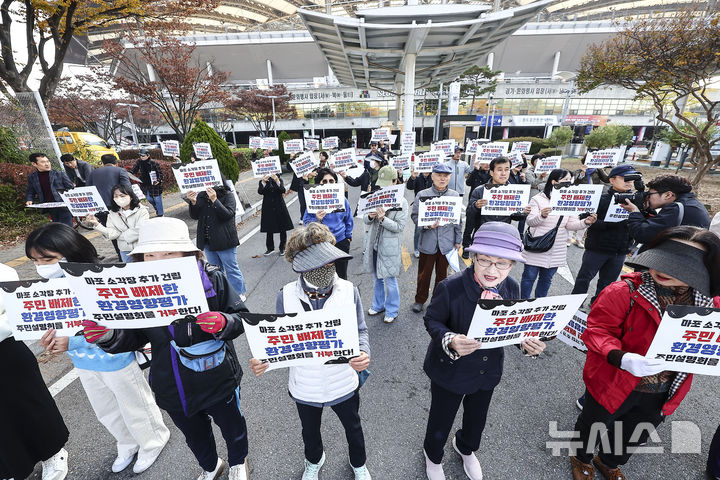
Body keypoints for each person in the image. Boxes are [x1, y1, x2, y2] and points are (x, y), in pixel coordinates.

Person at [85, 217, 252, 480]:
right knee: (194, 436)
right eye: (150, 254)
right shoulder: (136, 292)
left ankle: (237, 463)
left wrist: (224, 322)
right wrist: (107, 336)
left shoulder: (213, 279)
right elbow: (133, 337)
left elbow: (242, 318)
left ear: (187, 253)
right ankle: (211, 466)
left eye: (169, 252)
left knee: (233, 427)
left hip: (218, 376)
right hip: (170, 384)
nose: (159, 259)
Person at [570, 226, 720, 480]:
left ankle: (608, 460)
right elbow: (596, 330)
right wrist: (621, 357)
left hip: (663, 389)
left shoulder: (711, 306)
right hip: (613, 379)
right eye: (661, 260)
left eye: (680, 267)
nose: (662, 270)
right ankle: (581, 457)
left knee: (634, 432)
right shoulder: (623, 292)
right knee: (593, 424)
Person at [26, 223, 170, 475]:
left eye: (47, 259)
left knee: (134, 403)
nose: (41, 266)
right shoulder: (45, 290)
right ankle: (127, 443)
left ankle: (153, 439)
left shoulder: (96, 280)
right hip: (83, 362)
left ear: (70, 252)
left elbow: (117, 324)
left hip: (115, 357)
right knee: (105, 409)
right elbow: (55, 325)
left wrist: (74, 342)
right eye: (35, 261)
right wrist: (48, 337)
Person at [422, 222, 546, 480]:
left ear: (512, 264)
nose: (492, 270)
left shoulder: (511, 287)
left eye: (502, 263)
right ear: (473, 258)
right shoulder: (450, 287)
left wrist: (524, 341)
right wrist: (450, 339)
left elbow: (511, 325)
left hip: (487, 370)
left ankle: (466, 447)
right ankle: (432, 455)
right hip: (450, 370)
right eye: (484, 260)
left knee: (477, 418)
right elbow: (432, 320)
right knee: (441, 418)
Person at [249, 223, 371, 480]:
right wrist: (265, 362)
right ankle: (313, 460)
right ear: (298, 265)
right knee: (310, 430)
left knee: (353, 427)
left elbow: (361, 330)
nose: (323, 270)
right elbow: (280, 342)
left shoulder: (350, 291)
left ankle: (358, 463)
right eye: (314, 265)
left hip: (343, 381)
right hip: (305, 385)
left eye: (327, 263)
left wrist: (362, 351)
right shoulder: (285, 295)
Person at [0, 262, 70, 480]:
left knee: (30, 402)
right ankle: (12, 466)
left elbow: (14, 307)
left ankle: (54, 453)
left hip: (5, 349)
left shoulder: (3, 272)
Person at [520, 169, 597, 299]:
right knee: (529, 278)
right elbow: (530, 221)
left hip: (557, 249)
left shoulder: (570, 200)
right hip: (537, 246)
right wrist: (542, 215)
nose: (568, 183)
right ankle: (523, 302)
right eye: (565, 180)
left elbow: (571, 224)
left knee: (546, 280)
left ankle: (539, 304)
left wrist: (585, 222)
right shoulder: (538, 199)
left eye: (569, 181)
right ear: (554, 182)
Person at [571, 165, 638, 303]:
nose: (629, 181)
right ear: (612, 180)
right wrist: (600, 222)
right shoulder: (600, 198)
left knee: (608, 284)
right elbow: (585, 217)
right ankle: (574, 304)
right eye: (625, 178)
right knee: (584, 279)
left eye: (633, 178)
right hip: (597, 248)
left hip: (620, 251)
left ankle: (597, 305)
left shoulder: (638, 201)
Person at [410, 163, 463, 313]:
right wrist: (427, 225)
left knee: (442, 276)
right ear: (432, 176)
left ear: (449, 178)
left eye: (445, 176)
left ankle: (437, 301)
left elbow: (458, 220)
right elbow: (414, 216)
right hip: (428, 242)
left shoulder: (454, 195)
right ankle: (419, 300)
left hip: (446, 243)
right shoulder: (422, 195)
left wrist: (458, 240)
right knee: (423, 275)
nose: (442, 178)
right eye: (439, 175)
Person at [187, 182, 248, 302]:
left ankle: (239, 292)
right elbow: (195, 216)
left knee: (231, 268)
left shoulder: (228, 195)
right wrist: (193, 202)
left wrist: (215, 200)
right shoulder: (201, 195)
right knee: (215, 271)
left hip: (224, 239)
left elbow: (228, 214)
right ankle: (223, 295)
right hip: (207, 240)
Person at [362, 165, 408, 324]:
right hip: (374, 245)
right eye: (382, 182)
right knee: (377, 278)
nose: (383, 186)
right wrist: (369, 215)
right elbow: (365, 220)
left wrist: (383, 219)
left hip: (389, 247)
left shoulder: (402, 201)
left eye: (388, 182)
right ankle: (378, 305)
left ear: (396, 181)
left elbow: (399, 227)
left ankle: (392, 310)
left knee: (390, 279)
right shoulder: (376, 195)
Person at [463, 157, 531, 259]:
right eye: (499, 170)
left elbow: (516, 217)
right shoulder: (480, 191)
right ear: (491, 172)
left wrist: (524, 212)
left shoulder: (515, 191)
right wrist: (475, 206)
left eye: (507, 169)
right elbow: (469, 216)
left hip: (503, 237)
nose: (503, 173)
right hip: (483, 236)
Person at [623, 174, 711, 245]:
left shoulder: (676, 208)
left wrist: (635, 212)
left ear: (668, 195)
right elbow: (659, 227)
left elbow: (642, 234)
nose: (647, 198)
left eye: (650, 194)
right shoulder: (690, 204)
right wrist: (647, 211)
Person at [302, 168, 354, 280]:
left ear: (335, 183)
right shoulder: (312, 201)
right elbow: (306, 222)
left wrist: (348, 238)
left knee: (341, 278)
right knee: (324, 278)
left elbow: (348, 219)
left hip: (340, 242)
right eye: (324, 181)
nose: (328, 184)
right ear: (319, 183)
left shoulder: (343, 200)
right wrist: (316, 219)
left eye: (331, 181)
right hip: (320, 244)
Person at [84, 184, 150, 262]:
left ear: (131, 197)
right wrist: (97, 224)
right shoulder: (112, 214)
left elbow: (139, 230)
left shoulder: (141, 211)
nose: (119, 198)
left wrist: (120, 236)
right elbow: (112, 233)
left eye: (122, 196)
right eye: (116, 196)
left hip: (142, 248)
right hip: (124, 250)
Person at [87, 153, 131, 260]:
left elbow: (88, 189)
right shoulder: (120, 170)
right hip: (117, 205)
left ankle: (120, 255)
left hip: (100, 207)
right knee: (124, 229)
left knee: (110, 231)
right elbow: (127, 188)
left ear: (103, 163)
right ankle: (129, 254)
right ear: (116, 163)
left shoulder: (93, 173)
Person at [25, 152, 74, 226]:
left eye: (47, 161)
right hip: (49, 208)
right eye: (43, 162)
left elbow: (71, 188)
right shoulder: (32, 177)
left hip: (64, 207)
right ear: (34, 164)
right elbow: (30, 191)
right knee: (57, 229)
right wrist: (29, 199)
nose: (47, 164)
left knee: (66, 229)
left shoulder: (59, 174)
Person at [258, 172, 294, 256]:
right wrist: (263, 182)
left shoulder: (279, 180)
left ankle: (283, 247)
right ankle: (270, 248)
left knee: (282, 227)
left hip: (279, 205)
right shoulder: (262, 181)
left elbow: (282, 190)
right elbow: (260, 192)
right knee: (269, 228)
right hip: (268, 206)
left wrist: (277, 180)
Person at [407, 165, 434, 258]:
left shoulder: (433, 177)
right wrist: (413, 177)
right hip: (419, 207)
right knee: (418, 229)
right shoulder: (418, 177)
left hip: (432, 207)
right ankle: (416, 249)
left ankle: (428, 247)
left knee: (431, 228)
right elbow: (409, 187)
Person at [131, 149, 164, 217]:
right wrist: (129, 173)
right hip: (145, 184)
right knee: (149, 199)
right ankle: (157, 209)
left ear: (148, 155)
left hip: (155, 184)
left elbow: (160, 173)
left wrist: (158, 180)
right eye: (140, 155)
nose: (141, 157)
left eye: (143, 156)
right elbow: (134, 169)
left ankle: (160, 214)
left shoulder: (154, 163)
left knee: (157, 199)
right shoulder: (139, 162)